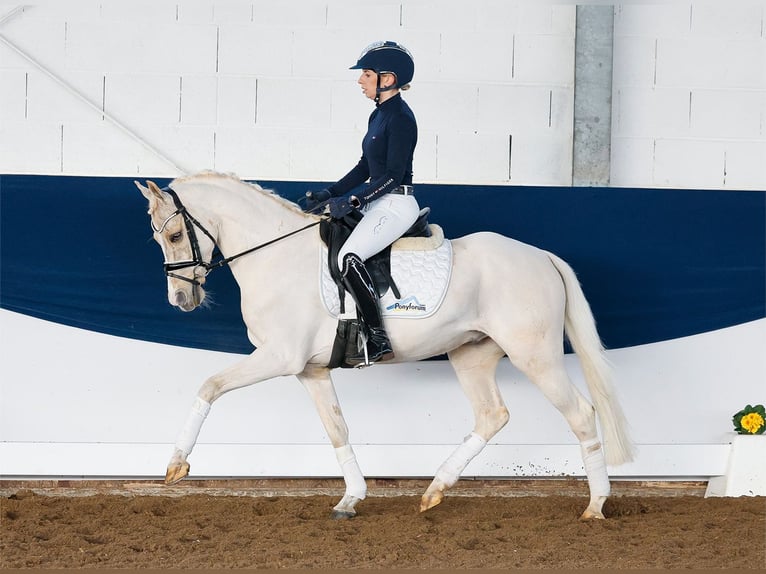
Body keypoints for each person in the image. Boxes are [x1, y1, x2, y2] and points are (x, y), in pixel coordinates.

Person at [306, 40, 420, 366]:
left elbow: (393, 177)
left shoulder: (400, 118)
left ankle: (377, 336)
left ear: (388, 79)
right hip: (378, 201)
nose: (360, 81)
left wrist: (354, 199)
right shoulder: (379, 116)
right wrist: (330, 193)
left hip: (395, 204)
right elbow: (365, 168)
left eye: (367, 74)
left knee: (350, 256)